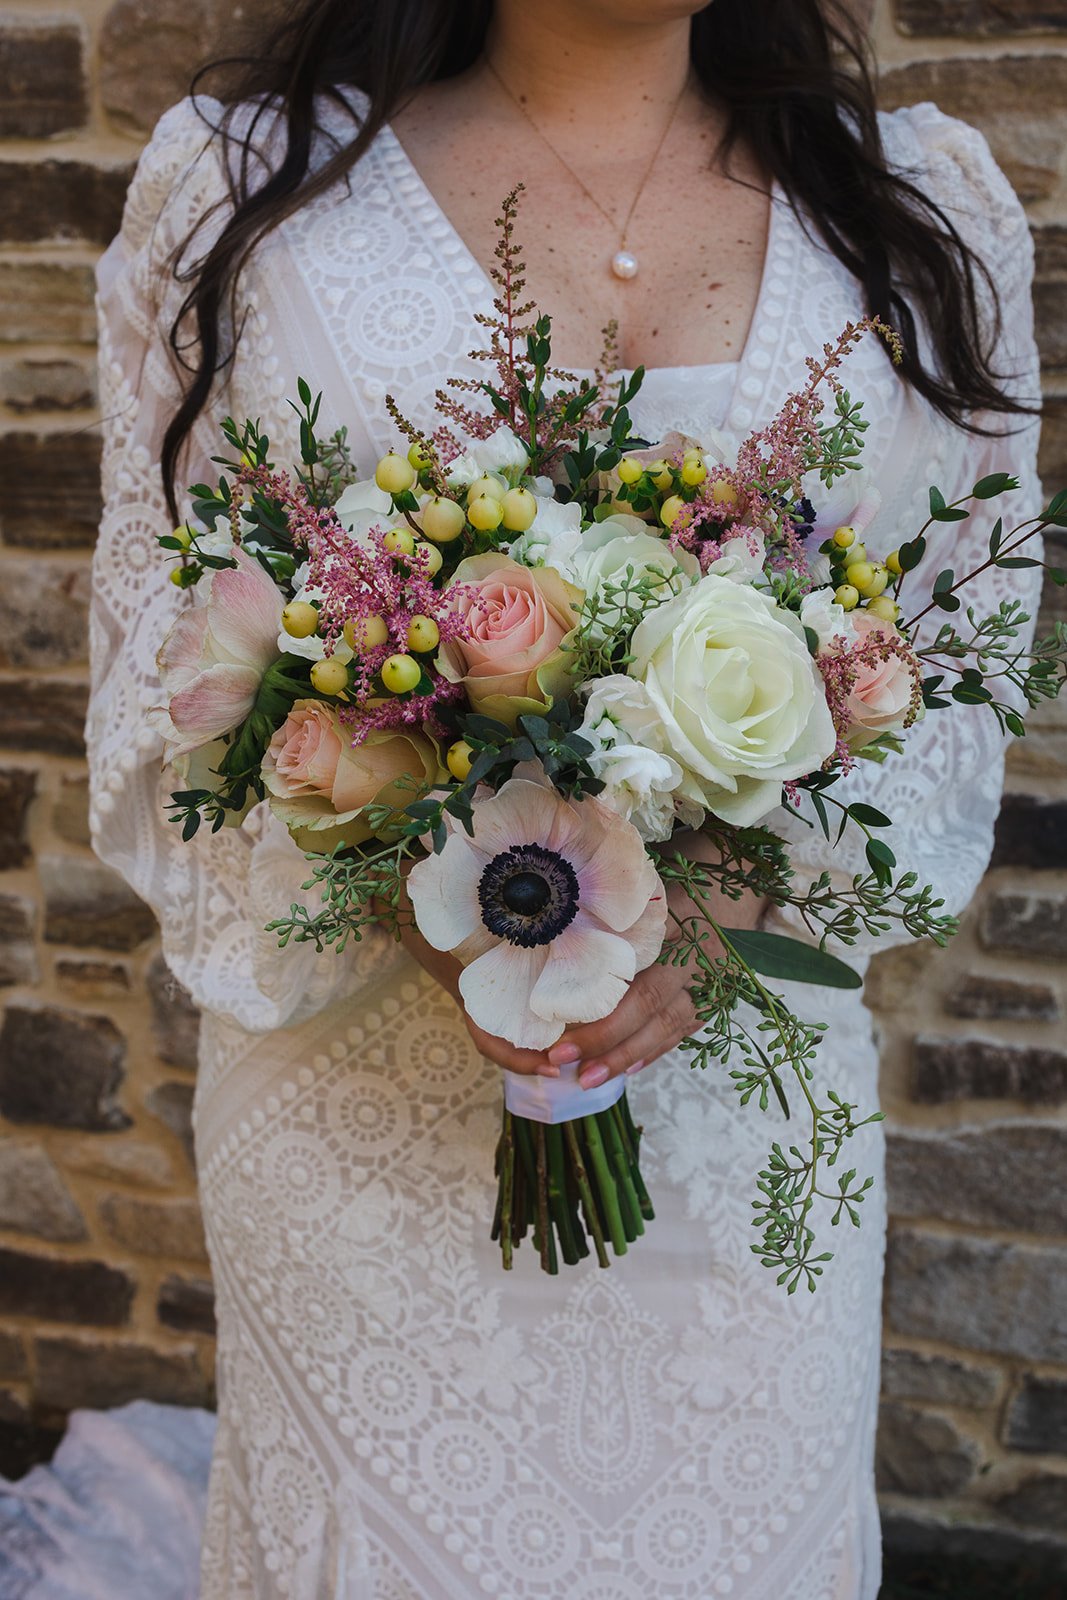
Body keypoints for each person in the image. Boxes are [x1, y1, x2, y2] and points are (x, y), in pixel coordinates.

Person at [88, 1, 1042, 1594]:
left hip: (743, 1142)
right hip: (361, 1145)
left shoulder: (920, 207)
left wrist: (713, 918)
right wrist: (443, 891)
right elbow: (160, 658)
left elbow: (955, 654)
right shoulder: (246, 194)